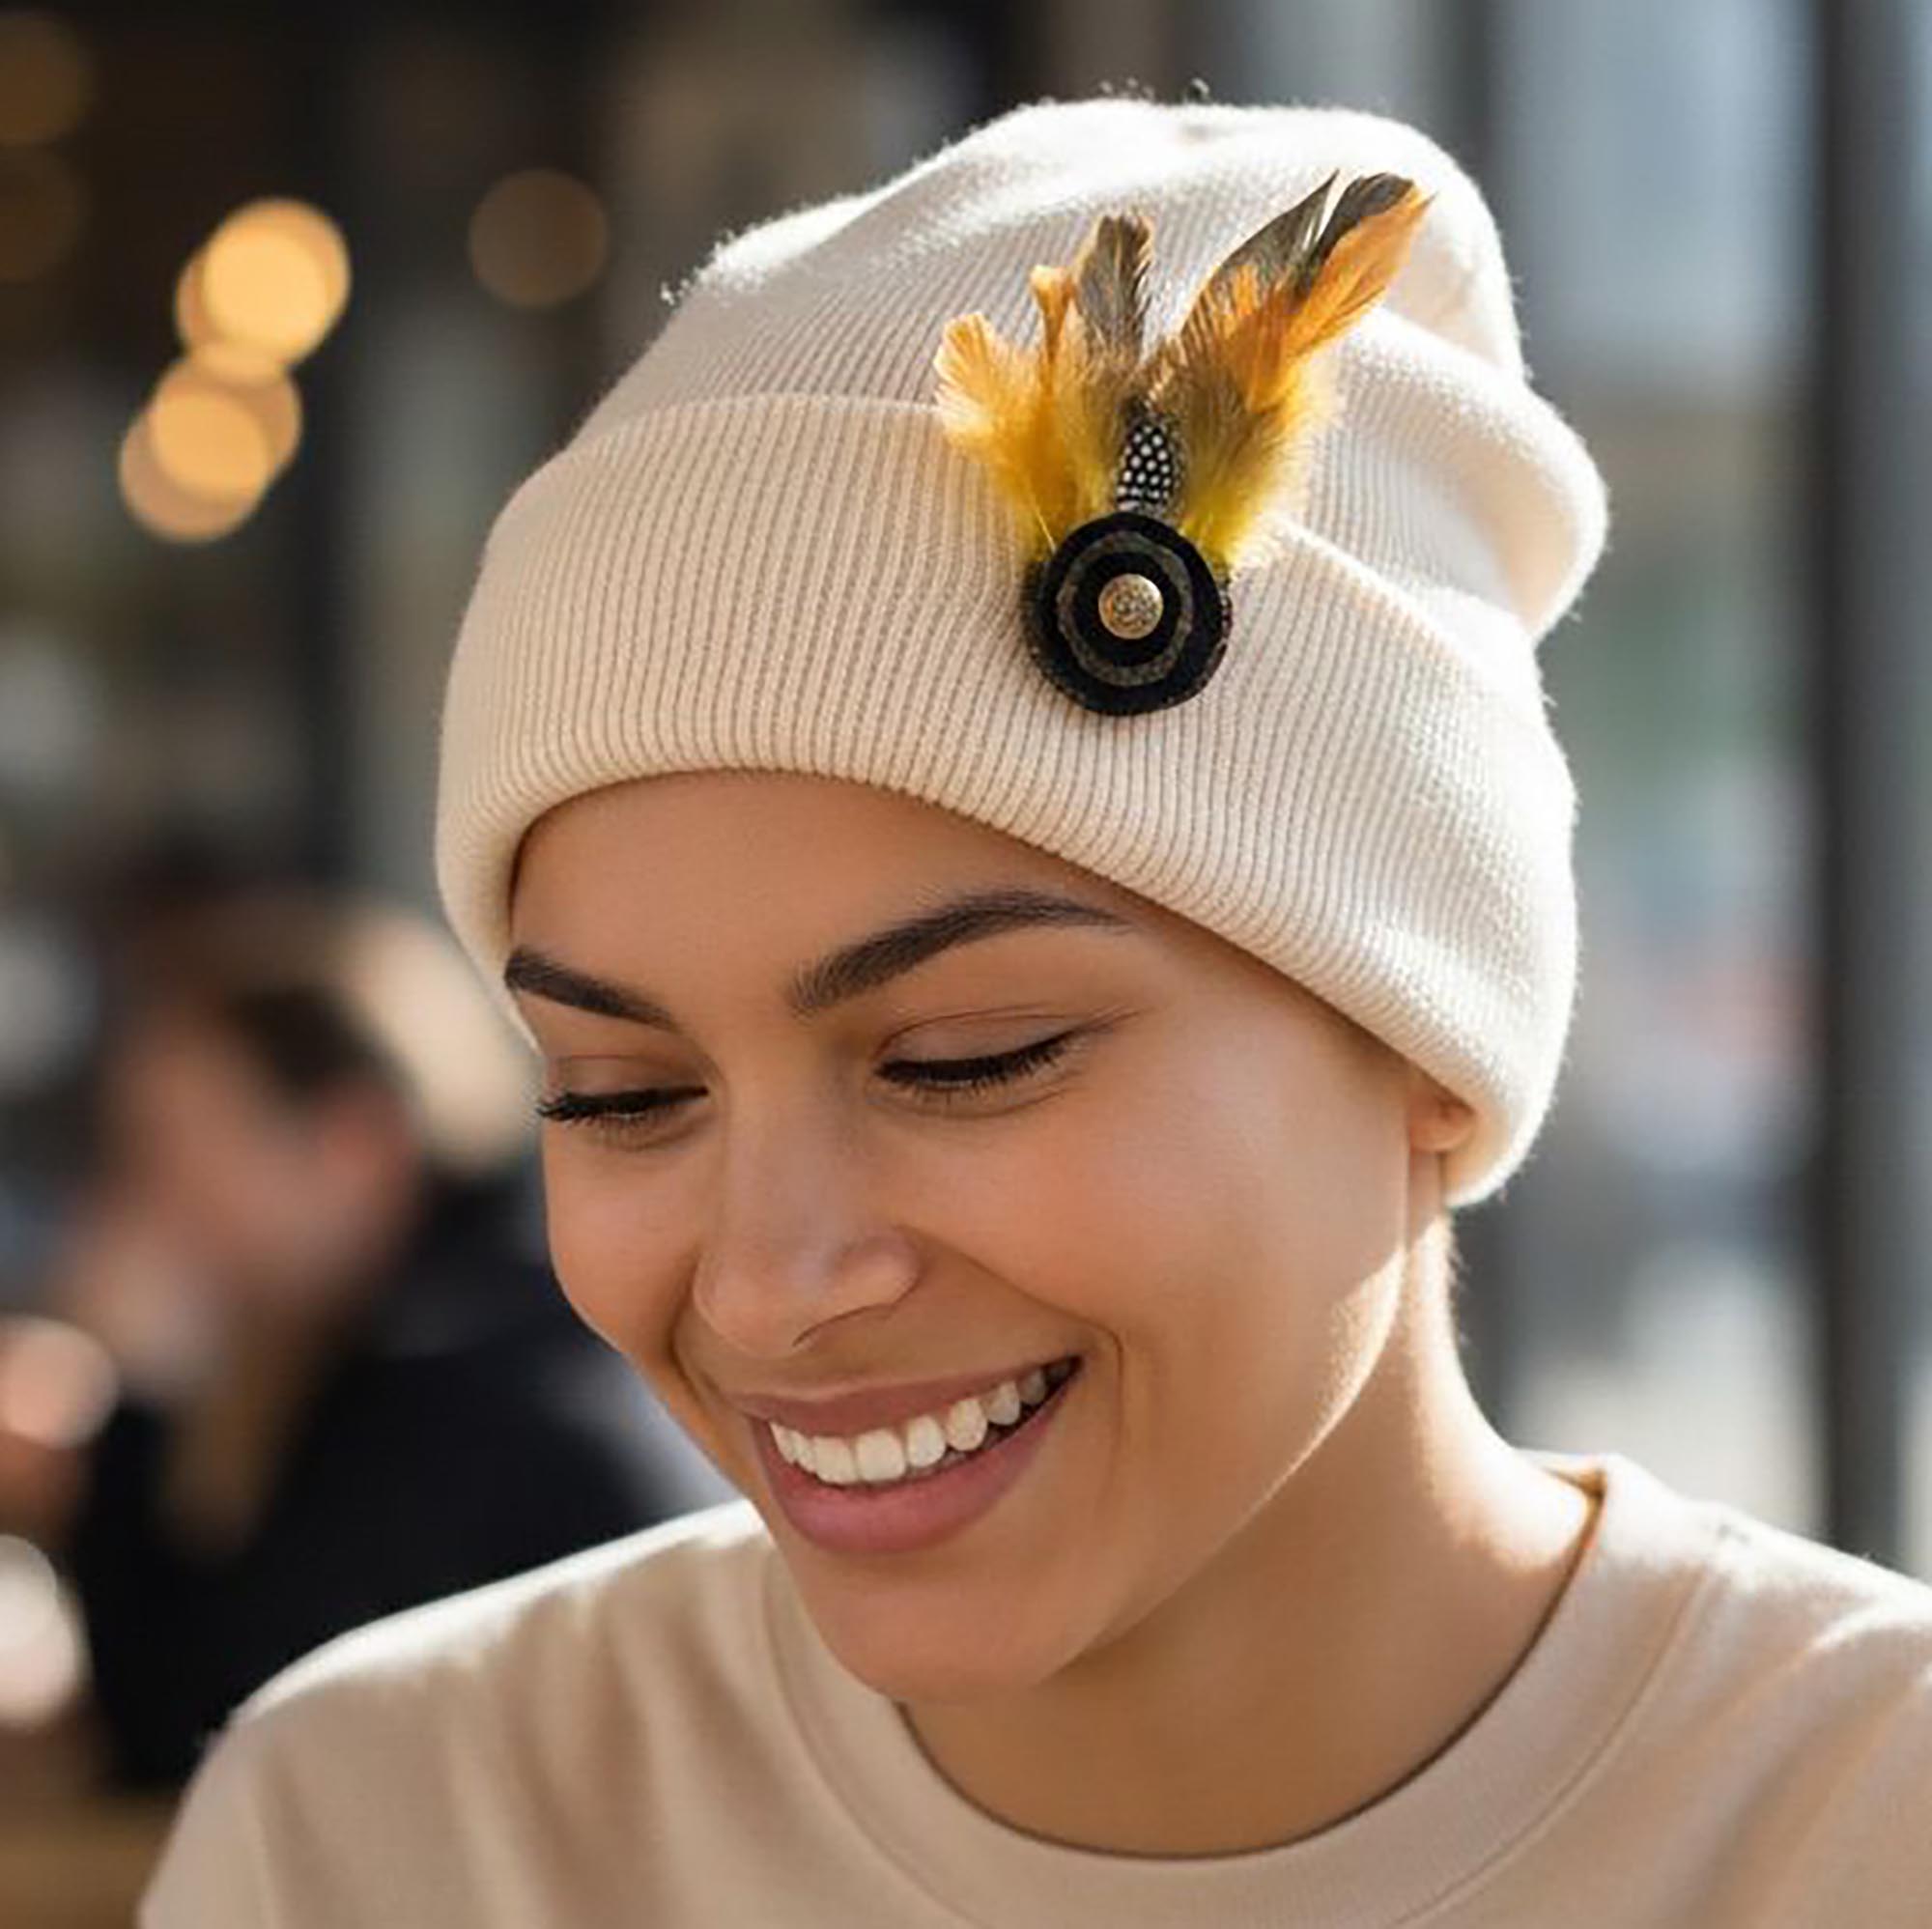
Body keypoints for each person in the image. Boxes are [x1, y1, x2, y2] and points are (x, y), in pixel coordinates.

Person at [139, 94, 1932, 1925]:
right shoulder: (387, 1834)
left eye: (965, 1059)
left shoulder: (1866, 1826)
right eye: (620, 1090)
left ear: (1429, 1037)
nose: (765, 1281)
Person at [48, 887, 734, 1791]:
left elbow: (194, 1738)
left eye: (176, 1148)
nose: (146, 1205)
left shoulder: (453, 1388)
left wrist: (140, 1405)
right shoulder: (504, 1320)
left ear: (350, 1143)